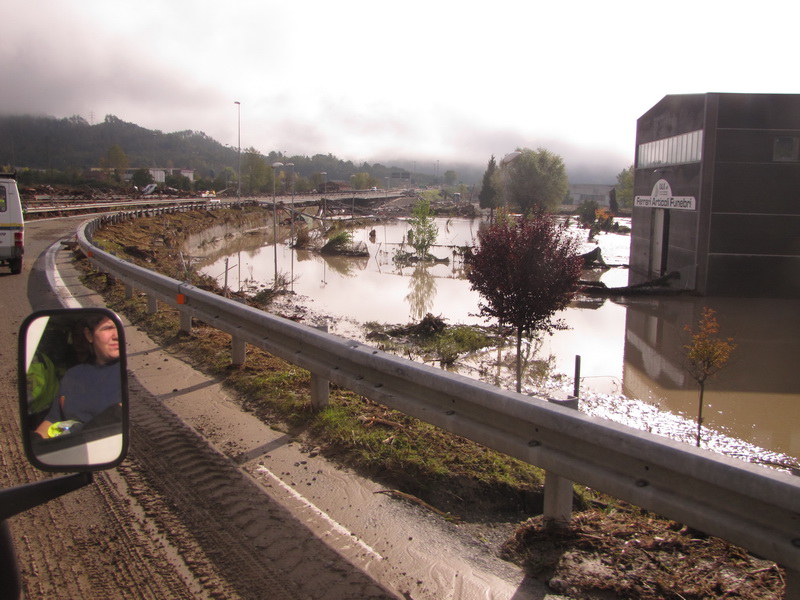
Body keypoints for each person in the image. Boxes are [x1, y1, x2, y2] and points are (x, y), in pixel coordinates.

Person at [34, 315, 122, 439]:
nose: (117, 336)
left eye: (120, 329)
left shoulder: (129, 373)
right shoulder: (73, 374)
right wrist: (36, 441)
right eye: (108, 328)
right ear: (89, 335)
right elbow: (52, 420)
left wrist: (90, 432)